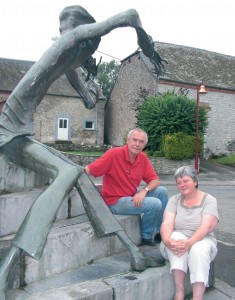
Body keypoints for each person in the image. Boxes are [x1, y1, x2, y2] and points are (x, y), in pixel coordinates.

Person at [0, 6, 168, 299]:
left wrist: (90, 78)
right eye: (92, 46)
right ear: (84, 37)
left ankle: (132, 252)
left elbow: (91, 102)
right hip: (8, 133)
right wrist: (145, 44)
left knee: (75, 172)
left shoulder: (71, 63)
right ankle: (7, 269)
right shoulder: (68, 40)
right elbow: (128, 15)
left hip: (21, 135)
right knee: (68, 170)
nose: (92, 51)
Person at [85, 128, 169, 246]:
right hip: (114, 201)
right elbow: (88, 170)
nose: (137, 144)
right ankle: (146, 236)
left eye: (141, 142)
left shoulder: (142, 158)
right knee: (155, 204)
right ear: (128, 140)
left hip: (130, 197)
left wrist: (144, 191)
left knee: (162, 191)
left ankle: (161, 232)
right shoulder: (114, 154)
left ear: (144, 145)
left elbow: (155, 180)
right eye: (134, 140)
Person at [160, 166, 219, 300]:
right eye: (179, 182)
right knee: (176, 237)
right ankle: (179, 291)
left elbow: (206, 226)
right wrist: (167, 240)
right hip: (178, 241)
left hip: (203, 240)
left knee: (199, 248)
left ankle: (197, 297)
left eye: (185, 181)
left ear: (195, 182)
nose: (182, 185)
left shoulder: (209, 200)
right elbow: (167, 223)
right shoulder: (174, 200)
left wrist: (190, 243)